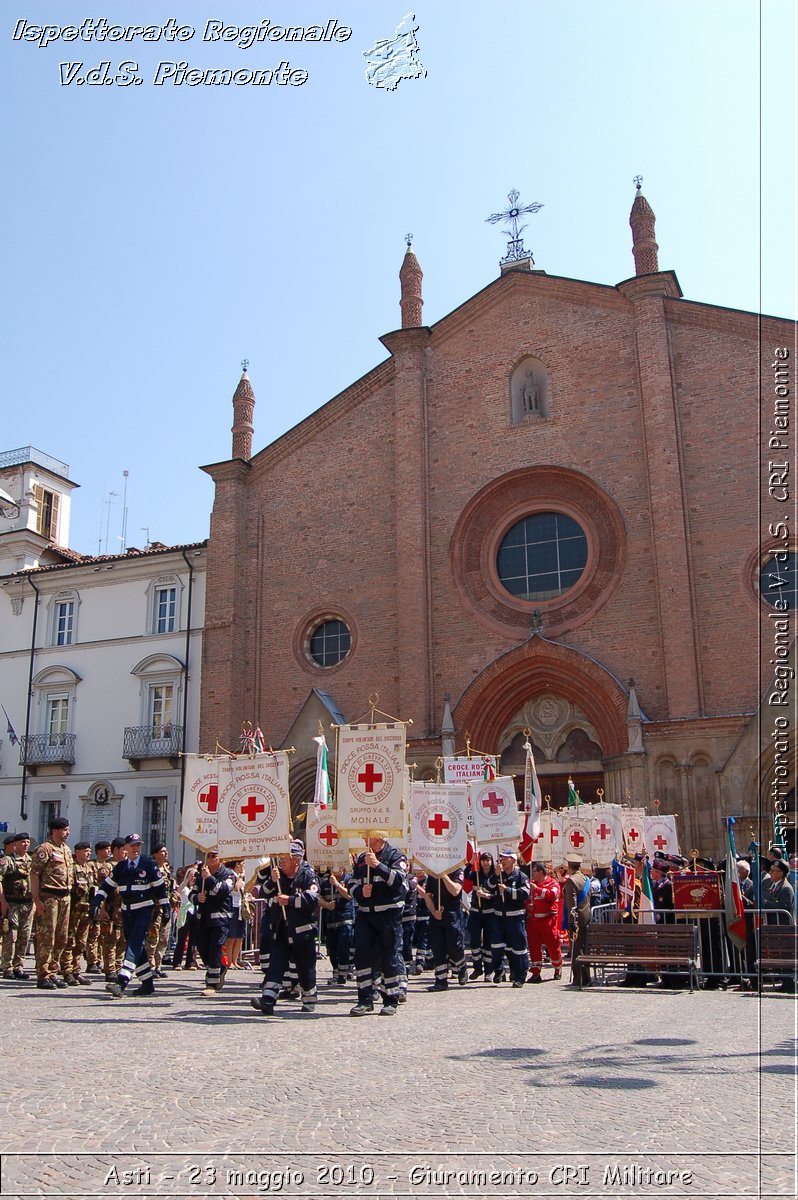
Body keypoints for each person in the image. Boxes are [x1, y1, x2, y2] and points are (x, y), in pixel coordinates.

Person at [92, 833, 170, 998]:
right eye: (132, 845)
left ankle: (122, 982)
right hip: (127, 911)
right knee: (137, 947)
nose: (136, 848)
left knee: (134, 944)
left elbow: (160, 888)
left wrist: (166, 906)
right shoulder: (121, 867)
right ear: (125, 848)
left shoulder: (148, 864)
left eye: (138, 845)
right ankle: (147, 983)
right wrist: (96, 901)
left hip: (144, 909)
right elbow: (107, 886)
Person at [250, 840, 320, 1015]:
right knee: (276, 964)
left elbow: (312, 898)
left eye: (285, 858)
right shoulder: (278, 875)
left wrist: (289, 900)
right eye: (281, 857)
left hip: (303, 930)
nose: (282, 861)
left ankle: (309, 998)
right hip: (282, 928)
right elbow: (264, 893)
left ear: (296, 859)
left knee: (305, 967)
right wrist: (272, 881)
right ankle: (268, 1000)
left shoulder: (307, 875)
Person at [348, 831, 408, 1016]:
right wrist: (359, 891)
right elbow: (351, 883)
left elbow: (398, 881)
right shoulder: (360, 858)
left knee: (389, 957)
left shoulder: (396, 855)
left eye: (368, 835)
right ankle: (364, 1000)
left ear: (379, 836)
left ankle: (390, 999)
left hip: (388, 915)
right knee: (363, 956)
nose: (364, 838)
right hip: (366, 915)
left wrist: (377, 865)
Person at [30, 815, 74, 991]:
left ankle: (53, 971)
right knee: (46, 936)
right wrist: (36, 900)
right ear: (55, 831)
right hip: (49, 897)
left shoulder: (65, 849)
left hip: (65, 897)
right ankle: (43, 974)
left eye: (68, 829)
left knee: (61, 937)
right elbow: (34, 874)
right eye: (64, 830)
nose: (67, 832)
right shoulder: (45, 849)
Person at [190, 849, 235, 996]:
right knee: (203, 948)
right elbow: (192, 893)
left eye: (214, 856)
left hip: (220, 918)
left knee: (215, 948)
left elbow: (223, 891)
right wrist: (197, 898)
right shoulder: (200, 875)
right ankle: (219, 969)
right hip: (203, 918)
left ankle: (212, 983)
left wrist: (209, 878)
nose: (210, 858)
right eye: (208, 856)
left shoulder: (228, 874)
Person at [420, 869, 467, 992]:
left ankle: (462, 967)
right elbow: (427, 895)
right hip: (437, 914)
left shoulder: (457, 871)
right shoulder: (432, 874)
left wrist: (444, 876)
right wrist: (433, 911)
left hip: (452, 914)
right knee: (437, 948)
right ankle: (441, 981)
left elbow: (455, 891)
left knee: (454, 947)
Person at [491, 849, 530, 987]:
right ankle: (500, 971)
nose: (501, 860)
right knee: (496, 947)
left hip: (516, 918)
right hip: (499, 918)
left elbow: (525, 894)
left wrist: (507, 890)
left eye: (505, 858)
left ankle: (520, 976)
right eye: (500, 858)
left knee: (519, 949)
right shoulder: (498, 875)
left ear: (513, 860)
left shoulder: (521, 876)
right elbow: (489, 888)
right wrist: (495, 876)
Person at [0, 832, 34, 980]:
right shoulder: (8, 860)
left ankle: (18, 966)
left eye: (27, 842)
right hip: (12, 903)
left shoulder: (32, 861)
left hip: (27, 904)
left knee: (24, 936)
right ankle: (6, 966)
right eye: (22, 842)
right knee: (11, 935)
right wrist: (3, 902)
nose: (25, 844)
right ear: (15, 845)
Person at [61, 841, 94, 984]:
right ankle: (66, 970)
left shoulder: (89, 868)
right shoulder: (72, 868)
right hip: (73, 910)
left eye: (89, 851)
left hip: (86, 911)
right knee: (70, 941)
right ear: (78, 852)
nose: (88, 853)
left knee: (81, 943)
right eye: (86, 851)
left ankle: (76, 970)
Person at [526, 861, 563, 983]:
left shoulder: (553, 883)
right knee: (534, 948)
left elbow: (552, 895)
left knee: (553, 946)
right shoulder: (531, 884)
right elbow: (525, 898)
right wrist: (527, 906)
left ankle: (557, 968)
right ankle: (536, 973)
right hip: (533, 921)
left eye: (534, 871)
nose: (532, 874)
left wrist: (538, 889)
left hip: (548, 921)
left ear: (541, 872)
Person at [318, 865, 355, 985]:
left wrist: (337, 885)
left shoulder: (349, 879)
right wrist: (326, 905)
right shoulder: (324, 883)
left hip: (345, 918)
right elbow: (318, 898)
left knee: (343, 946)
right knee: (332, 949)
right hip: (331, 920)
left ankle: (343, 974)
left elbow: (349, 896)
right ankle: (336, 972)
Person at [97, 838, 127, 982]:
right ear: (115, 850)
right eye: (123, 850)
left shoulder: (127, 867)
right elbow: (101, 890)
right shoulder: (107, 868)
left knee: (122, 940)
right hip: (110, 908)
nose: (126, 853)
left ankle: (119, 966)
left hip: (124, 909)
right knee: (110, 940)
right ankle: (109, 969)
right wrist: (102, 908)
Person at [146, 844, 177, 977]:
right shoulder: (150, 869)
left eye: (166, 850)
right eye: (162, 851)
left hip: (166, 907)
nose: (166, 853)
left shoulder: (167, 869)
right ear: (155, 854)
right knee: (153, 938)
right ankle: (150, 966)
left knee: (164, 938)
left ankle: (158, 966)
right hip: (154, 908)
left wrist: (174, 897)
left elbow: (171, 889)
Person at [464, 852, 495, 980]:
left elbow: (498, 896)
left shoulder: (495, 876)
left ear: (492, 862)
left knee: (488, 944)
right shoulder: (476, 874)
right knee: (474, 941)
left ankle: (488, 971)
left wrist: (486, 896)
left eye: (488, 860)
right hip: (476, 912)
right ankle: (477, 968)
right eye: (483, 860)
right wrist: (471, 861)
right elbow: (465, 875)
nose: (485, 863)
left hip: (490, 914)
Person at [562, 853, 591, 988]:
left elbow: (571, 904)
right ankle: (585, 977)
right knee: (584, 949)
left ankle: (579, 978)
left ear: (569, 866)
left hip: (577, 920)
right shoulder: (586, 879)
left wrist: (571, 922)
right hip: (586, 917)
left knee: (576, 949)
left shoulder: (571, 881)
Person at [85, 841, 111, 973]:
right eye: (106, 849)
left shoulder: (109, 865)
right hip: (95, 901)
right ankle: (92, 961)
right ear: (99, 851)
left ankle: (99, 959)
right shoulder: (91, 865)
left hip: (106, 903)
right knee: (93, 933)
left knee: (103, 934)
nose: (108, 851)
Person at [172, 865, 199, 970]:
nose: (193, 878)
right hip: (185, 912)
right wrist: (187, 879)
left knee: (193, 939)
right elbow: (178, 890)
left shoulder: (197, 887)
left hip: (194, 912)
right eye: (192, 876)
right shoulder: (185, 887)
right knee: (182, 938)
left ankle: (190, 962)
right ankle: (177, 962)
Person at [224, 859, 247, 968]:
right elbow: (236, 889)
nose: (243, 866)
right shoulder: (230, 874)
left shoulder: (238, 876)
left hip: (240, 907)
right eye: (242, 863)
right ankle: (229, 961)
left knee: (239, 936)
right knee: (231, 936)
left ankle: (235, 960)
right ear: (237, 864)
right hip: (231, 906)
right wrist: (240, 877)